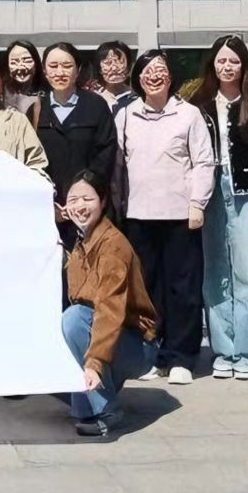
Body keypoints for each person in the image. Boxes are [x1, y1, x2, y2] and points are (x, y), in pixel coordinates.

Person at [113, 51, 216, 386]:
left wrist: (198, 203)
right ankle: (153, 355)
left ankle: (182, 356)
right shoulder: (126, 115)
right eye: (147, 71)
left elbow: (204, 162)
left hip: (180, 215)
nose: (153, 76)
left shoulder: (189, 114)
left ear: (170, 78)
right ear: (138, 79)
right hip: (138, 216)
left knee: (183, 288)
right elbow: (117, 164)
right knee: (147, 289)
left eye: (160, 70)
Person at [188, 35, 248, 381]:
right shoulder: (198, 103)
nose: (227, 67)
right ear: (212, 64)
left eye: (234, 61)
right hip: (211, 192)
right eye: (221, 61)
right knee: (214, 274)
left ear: (244, 65)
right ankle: (223, 350)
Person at [60, 171, 159, 440]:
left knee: (73, 319)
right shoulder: (82, 241)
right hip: (110, 335)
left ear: (103, 201)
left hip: (137, 345)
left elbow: (109, 309)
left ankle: (107, 410)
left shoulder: (113, 246)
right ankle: (92, 399)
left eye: (87, 199)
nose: (80, 206)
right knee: (70, 319)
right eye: (73, 200)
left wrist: (95, 362)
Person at [33, 42, 120, 234]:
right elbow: (31, 161)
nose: (60, 72)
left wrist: (82, 196)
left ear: (78, 70)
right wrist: (49, 201)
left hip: (89, 208)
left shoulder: (96, 106)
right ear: (45, 72)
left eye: (67, 66)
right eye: (53, 66)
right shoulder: (37, 110)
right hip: (50, 210)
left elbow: (105, 153)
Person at [2, 40, 45, 120]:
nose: (21, 67)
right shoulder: (1, 91)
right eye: (13, 62)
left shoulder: (46, 93)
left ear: (36, 62)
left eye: (27, 61)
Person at [94, 40, 137, 112]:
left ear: (129, 67)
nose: (114, 68)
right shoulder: (93, 99)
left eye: (120, 62)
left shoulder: (137, 97)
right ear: (99, 69)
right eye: (108, 63)